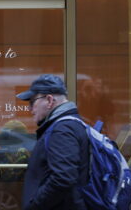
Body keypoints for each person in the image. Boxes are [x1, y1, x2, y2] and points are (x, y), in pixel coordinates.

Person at [16, 74, 90, 210]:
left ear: (49, 100)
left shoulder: (62, 130)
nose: (30, 109)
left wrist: (34, 206)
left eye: (32, 102)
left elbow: (63, 178)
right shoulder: (67, 125)